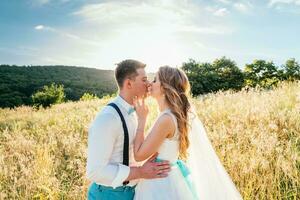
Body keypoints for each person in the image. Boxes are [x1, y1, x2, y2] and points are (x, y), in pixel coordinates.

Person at [133, 66, 243, 200]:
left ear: (165, 88)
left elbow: (139, 155)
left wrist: (142, 119)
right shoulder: (173, 115)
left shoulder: (166, 119)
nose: (150, 83)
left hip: (160, 183)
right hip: (168, 177)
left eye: (155, 80)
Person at [86, 60, 171, 200]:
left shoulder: (137, 112)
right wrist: (140, 172)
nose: (149, 84)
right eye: (144, 80)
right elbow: (95, 171)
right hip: (109, 194)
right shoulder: (108, 118)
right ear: (129, 84)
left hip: (133, 191)